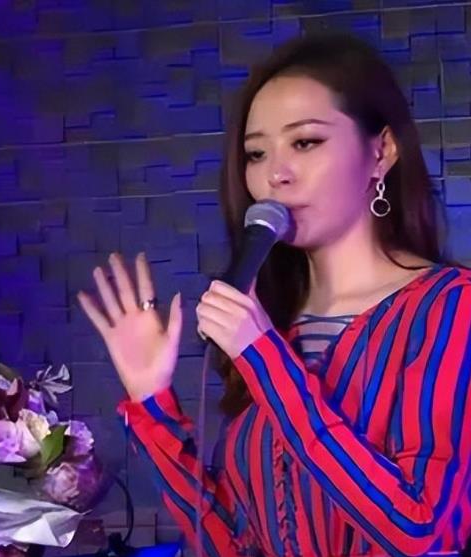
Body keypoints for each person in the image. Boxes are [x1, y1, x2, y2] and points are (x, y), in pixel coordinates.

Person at [78, 33, 471, 557]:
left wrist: (265, 358)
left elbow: (420, 528)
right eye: (256, 153)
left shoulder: (449, 306)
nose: (274, 175)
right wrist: (153, 402)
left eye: (305, 142)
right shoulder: (272, 326)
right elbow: (229, 543)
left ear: (381, 151)